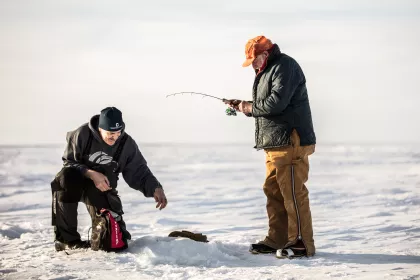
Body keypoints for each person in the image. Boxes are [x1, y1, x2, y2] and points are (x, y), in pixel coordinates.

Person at [224, 35, 316, 258]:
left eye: (254, 60)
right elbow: (266, 106)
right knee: (273, 191)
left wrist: (249, 107)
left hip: (290, 140)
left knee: (292, 192)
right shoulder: (266, 71)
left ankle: (301, 242)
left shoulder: (285, 66)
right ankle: (278, 240)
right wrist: (244, 106)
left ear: (265, 54)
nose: (252, 65)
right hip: (274, 142)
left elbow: (277, 102)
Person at [51, 107, 167, 251]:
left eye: (119, 132)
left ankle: (100, 240)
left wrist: (155, 187)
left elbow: (138, 170)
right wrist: (92, 174)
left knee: (114, 243)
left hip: (102, 188)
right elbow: (69, 162)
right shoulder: (82, 134)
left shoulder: (126, 143)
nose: (115, 137)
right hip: (76, 182)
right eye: (111, 133)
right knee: (64, 178)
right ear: (100, 128)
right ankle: (67, 240)